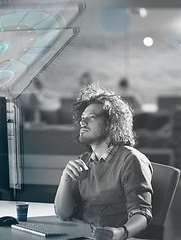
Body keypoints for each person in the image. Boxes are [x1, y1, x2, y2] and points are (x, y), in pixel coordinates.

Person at [54, 84, 153, 240]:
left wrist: (120, 233)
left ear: (112, 123)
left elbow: (142, 214)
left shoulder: (131, 159)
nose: (82, 122)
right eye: (82, 118)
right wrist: (65, 178)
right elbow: (63, 214)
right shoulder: (83, 161)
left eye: (91, 117)